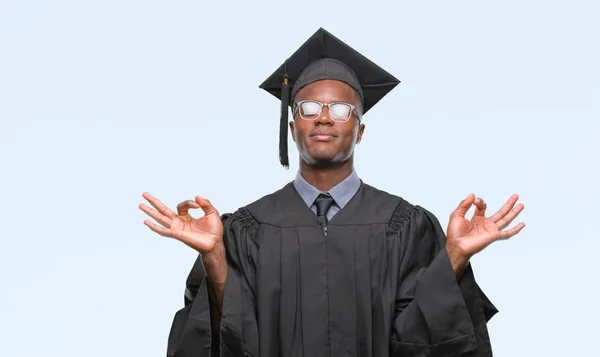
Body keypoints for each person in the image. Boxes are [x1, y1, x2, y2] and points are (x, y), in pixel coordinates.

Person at [139, 28, 525, 357]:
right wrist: (215, 259)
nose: (324, 116)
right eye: (309, 107)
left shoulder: (407, 226)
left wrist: (453, 256)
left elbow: (419, 340)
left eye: (341, 109)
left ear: (359, 131)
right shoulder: (242, 231)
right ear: (293, 129)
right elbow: (230, 340)